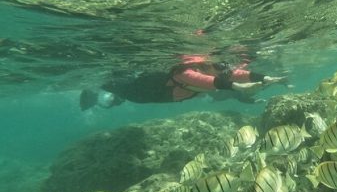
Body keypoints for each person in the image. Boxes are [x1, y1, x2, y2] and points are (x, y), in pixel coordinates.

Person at [79, 52, 286, 111]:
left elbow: (239, 74)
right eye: (221, 65)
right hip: (140, 92)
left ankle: (107, 98)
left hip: (152, 93)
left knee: (118, 90)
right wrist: (239, 87)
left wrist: (268, 78)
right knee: (111, 83)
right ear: (210, 63)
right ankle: (94, 94)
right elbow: (209, 83)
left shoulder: (212, 69)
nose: (226, 69)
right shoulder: (186, 72)